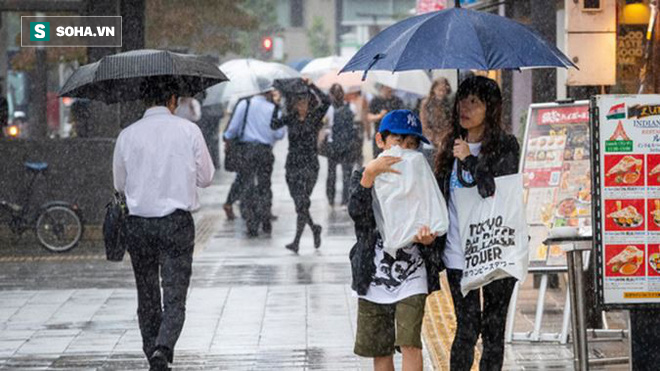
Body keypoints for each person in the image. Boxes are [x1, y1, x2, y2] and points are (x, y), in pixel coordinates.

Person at [113, 79, 214, 371]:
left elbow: (119, 184)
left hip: (138, 224)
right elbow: (206, 177)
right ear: (172, 99)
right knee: (175, 294)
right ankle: (163, 347)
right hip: (176, 223)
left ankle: (151, 352)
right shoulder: (189, 131)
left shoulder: (127, 136)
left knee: (146, 294)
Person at [434, 75, 520, 371]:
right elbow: (439, 199)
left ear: (490, 108)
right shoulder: (450, 147)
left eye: (474, 101)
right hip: (459, 256)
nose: (464, 107)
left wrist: (470, 159)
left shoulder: (507, 146)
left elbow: (491, 190)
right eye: (462, 99)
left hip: (497, 250)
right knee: (467, 329)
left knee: (493, 332)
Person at [349, 109, 442, 371]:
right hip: (373, 274)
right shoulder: (364, 175)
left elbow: (434, 219)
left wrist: (429, 240)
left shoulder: (422, 178)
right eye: (398, 142)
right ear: (381, 140)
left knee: (410, 342)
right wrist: (369, 176)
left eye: (412, 145)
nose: (405, 150)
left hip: (413, 274)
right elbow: (358, 215)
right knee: (381, 348)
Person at [272, 78, 330, 253]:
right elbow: (273, 124)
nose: (301, 105)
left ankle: (297, 241)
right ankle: (314, 229)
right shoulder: (291, 118)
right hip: (293, 164)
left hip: (310, 164)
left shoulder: (315, 117)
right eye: (298, 102)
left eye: (304, 101)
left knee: (303, 202)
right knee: (300, 204)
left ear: (309, 103)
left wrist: (312, 85)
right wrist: (276, 105)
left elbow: (327, 101)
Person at [223, 89, 285, 236]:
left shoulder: (245, 104)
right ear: (268, 92)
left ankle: (251, 223)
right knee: (265, 185)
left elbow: (232, 130)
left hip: (247, 151)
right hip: (265, 151)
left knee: (247, 185)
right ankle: (265, 218)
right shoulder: (274, 109)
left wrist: (227, 137)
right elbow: (280, 134)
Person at [325, 83, 359, 207]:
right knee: (345, 174)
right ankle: (344, 200)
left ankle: (332, 199)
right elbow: (355, 124)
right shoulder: (351, 107)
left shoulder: (329, 109)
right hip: (346, 144)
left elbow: (326, 127)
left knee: (334, 174)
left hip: (335, 145)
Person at [419, 77, 453, 165]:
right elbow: (424, 124)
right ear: (434, 89)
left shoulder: (448, 104)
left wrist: (443, 137)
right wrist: (434, 138)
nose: (442, 93)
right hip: (430, 138)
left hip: (444, 138)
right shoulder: (426, 103)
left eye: (444, 90)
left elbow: (450, 123)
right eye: (440, 90)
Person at [368, 84, 404, 158]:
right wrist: (380, 116)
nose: (389, 89)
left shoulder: (397, 101)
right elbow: (369, 117)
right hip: (379, 135)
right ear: (381, 88)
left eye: (390, 87)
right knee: (378, 160)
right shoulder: (375, 101)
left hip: (394, 136)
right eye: (386, 87)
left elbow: (402, 117)